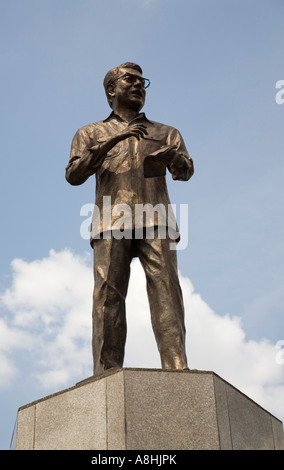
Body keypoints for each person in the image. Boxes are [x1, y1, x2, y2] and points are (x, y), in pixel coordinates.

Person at [65, 62, 194, 376]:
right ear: (111, 90)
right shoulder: (90, 132)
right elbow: (74, 174)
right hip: (111, 220)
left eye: (142, 81)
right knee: (108, 296)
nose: (139, 85)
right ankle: (106, 371)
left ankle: (177, 367)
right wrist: (114, 140)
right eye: (130, 80)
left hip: (156, 218)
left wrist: (174, 158)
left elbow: (186, 170)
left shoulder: (166, 132)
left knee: (167, 293)